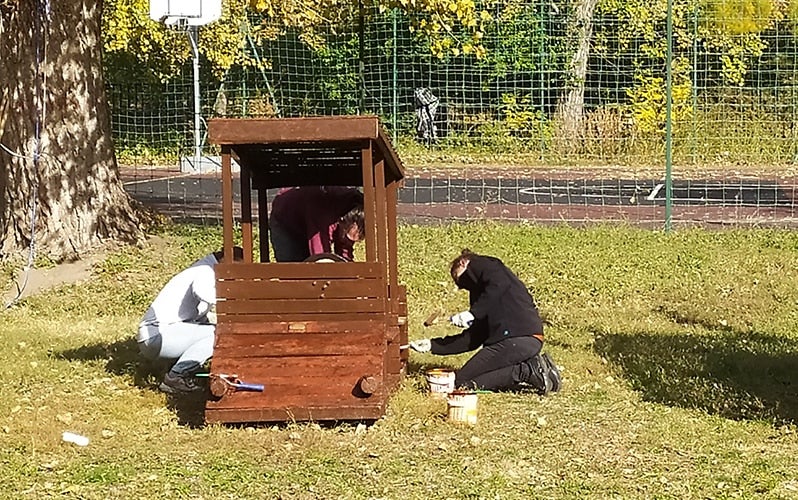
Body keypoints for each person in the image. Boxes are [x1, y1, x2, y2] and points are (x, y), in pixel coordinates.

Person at [409, 249, 561, 394]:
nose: (461, 286)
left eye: (459, 278)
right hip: (523, 341)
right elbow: (473, 339)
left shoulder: (486, 266)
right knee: (468, 382)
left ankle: (526, 371)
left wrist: (472, 313)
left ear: (463, 263)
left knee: (461, 383)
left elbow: (498, 282)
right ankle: (537, 370)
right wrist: (433, 345)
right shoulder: (486, 296)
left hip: (516, 338)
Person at [137, 246, 244, 394]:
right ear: (227, 259)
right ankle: (176, 377)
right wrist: (233, 303)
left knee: (213, 328)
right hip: (157, 336)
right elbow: (203, 293)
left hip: (160, 335)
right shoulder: (205, 270)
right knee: (218, 333)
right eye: (237, 268)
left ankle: (178, 369)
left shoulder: (205, 268)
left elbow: (199, 315)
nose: (236, 275)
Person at [269, 186, 365, 262]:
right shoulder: (323, 210)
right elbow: (320, 257)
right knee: (293, 269)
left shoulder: (358, 212)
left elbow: (344, 250)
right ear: (343, 220)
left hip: (314, 214)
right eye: (346, 236)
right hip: (286, 220)